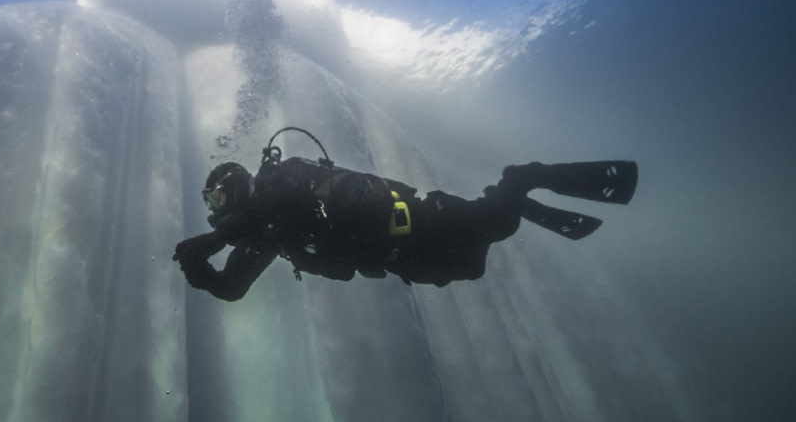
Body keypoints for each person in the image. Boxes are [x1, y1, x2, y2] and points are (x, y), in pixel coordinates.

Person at [173, 127, 637, 301]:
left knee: (499, 219)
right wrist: (203, 274)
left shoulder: (282, 181)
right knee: (474, 262)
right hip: (404, 260)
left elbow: (266, 213)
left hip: (422, 220)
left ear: (233, 191)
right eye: (211, 206)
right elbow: (234, 287)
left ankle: (523, 179)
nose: (215, 212)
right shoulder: (262, 234)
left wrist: (210, 242)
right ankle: (516, 200)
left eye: (216, 200)